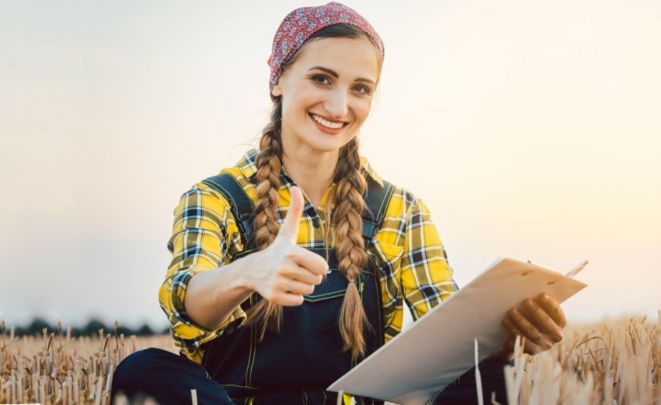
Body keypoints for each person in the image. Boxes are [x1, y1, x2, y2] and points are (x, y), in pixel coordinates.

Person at [111, 3, 567, 404]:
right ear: (277, 79)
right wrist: (250, 271)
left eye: (360, 88)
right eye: (321, 78)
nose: (338, 104)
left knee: (492, 376)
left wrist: (508, 340)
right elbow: (184, 306)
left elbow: (446, 338)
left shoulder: (399, 210)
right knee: (143, 371)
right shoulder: (214, 198)